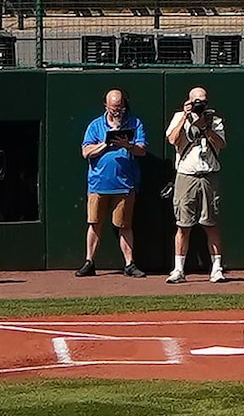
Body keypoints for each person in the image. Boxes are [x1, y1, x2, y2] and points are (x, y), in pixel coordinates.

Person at [76, 90, 147, 279]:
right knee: (95, 223)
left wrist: (127, 145)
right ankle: (89, 262)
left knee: (125, 225)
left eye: (121, 107)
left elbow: (142, 150)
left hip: (124, 185)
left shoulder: (135, 123)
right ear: (106, 106)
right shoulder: (95, 125)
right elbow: (86, 152)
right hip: (98, 185)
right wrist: (106, 143)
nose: (118, 111)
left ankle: (129, 264)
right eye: (114, 108)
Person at [164, 86, 231, 284]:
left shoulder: (214, 119)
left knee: (211, 223)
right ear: (189, 101)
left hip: (209, 175)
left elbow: (220, 144)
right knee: (183, 225)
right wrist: (186, 118)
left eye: (203, 101)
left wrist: (205, 126)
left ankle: (217, 268)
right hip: (186, 175)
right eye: (196, 101)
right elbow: (173, 140)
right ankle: (178, 269)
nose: (200, 105)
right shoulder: (179, 117)